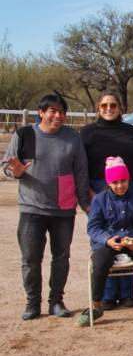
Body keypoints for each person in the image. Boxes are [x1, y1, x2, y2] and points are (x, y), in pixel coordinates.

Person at [3, 94, 90, 320]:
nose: (57, 115)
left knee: (61, 257)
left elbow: (80, 171)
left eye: (61, 111)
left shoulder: (72, 137)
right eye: (52, 110)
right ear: (40, 112)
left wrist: (85, 203)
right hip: (32, 208)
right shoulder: (25, 134)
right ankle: (33, 303)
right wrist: (16, 171)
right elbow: (7, 166)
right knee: (31, 259)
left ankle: (56, 301)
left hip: (63, 209)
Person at [80, 91, 133, 309]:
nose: (109, 109)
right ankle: (108, 294)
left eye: (113, 105)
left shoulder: (131, 132)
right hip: (100, 190)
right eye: (104, 106)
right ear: (98, 108)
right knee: (109, 237)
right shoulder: (88, 132)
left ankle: (128, 293)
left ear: (120, 108)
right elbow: (79, 166)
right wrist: (89, 192)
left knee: (130, 238)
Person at [78, 157, 133, 326]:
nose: (120, 186)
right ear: (109, 183)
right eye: (115, 182)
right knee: (99, 260)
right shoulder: (99, 200)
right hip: (110, 244)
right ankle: (96, 305)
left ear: (129, 180)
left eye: (124, 181)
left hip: (132, 244)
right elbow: (93, 227)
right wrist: (108, 240)